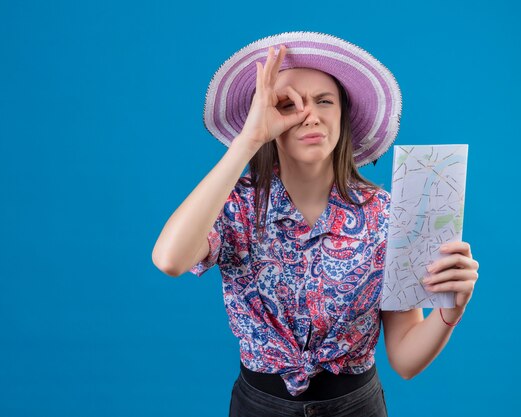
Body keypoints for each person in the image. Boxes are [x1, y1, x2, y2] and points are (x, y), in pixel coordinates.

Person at [152, 32, 480, 417]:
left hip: (356, 407)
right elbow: (169, 259)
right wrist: (249, 140)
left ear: (343, 114)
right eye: (287, 103)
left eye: (325, 101)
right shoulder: (236, 205)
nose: (310, 114)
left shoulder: (387, 215)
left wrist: (449, 314)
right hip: (258, 407)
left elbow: (406, 359)